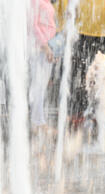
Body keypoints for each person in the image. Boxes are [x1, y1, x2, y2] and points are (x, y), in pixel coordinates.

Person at [55, 0, 105, 129]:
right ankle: (78, 114)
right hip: (86, 28)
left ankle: (103, 112)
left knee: (104, 76)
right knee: (79, 74)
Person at [29, 0, 57, 133]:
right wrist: (45, 46)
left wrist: (53, 48)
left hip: (48, 49)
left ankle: (38, 120)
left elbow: (49, 25)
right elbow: (33, 25)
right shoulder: (34, 1)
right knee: (38, 85)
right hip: (39, 48)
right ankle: (37, 122)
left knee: (41, 86)